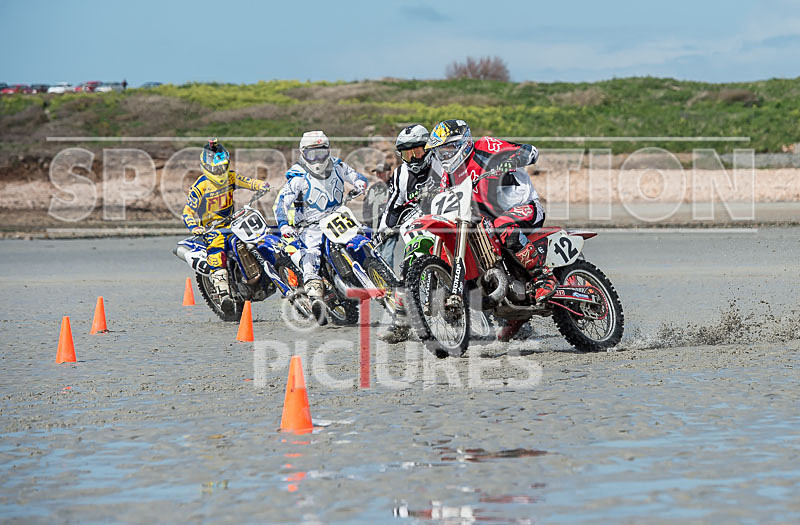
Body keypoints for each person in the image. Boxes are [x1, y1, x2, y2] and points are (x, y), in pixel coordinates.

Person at [425, 119, 554, 339]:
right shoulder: (449, 175)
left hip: (525, 207)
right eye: (440, 151)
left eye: (448, 148)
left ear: (463, 142)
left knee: (501, 225)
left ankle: (543, 277)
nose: (445, 155)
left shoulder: (486, 147)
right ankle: (501, 304)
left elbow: (531, 152)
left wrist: (511, 159)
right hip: (483, 220)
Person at [273, 131, 367, 312]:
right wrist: (284, 225)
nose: (317, 159)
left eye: (321, 153)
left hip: (338, 216)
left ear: (328, 150)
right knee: (310, 254)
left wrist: (360, 185)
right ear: (303, 154)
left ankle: (379, 270)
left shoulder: (338, 166)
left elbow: (356, 176)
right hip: (311, 226)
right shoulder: (297, 176)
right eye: (311, 154)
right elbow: (282, 204)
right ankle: (316, 297)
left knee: (366, 233)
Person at [182, 138, 269, 315]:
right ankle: (223, 295)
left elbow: (249, 182)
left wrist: (262, 185)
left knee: (260, 236)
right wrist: (194, 226)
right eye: (216, 168)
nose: (220, 171)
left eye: (222, 166)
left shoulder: (231, 176)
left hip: (232, 221)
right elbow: (187, 211)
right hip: (212, 228)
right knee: (216, 250)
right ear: (206, 166)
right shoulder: (201, 185)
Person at [376, 124, 444, 343]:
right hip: (418, 225)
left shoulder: (444, 164)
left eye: (418, 151)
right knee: (407, 268)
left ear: (429, 147)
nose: (414, 158)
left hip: (448, 219)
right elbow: (393, 205)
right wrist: (384, 229)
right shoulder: (401, 174)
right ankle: (401, 323)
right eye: (407, 153)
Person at [362, 162, 395, 268]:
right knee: (377, 258)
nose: (379, 175)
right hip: (374, 231)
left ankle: (390, 284)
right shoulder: (374, 189)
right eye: (377, 173)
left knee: (387, 258)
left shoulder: (395, 186)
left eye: (381, 173)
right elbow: (366, 207)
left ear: (389, 172)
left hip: (389, 230)